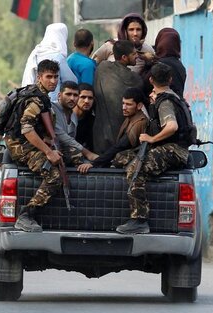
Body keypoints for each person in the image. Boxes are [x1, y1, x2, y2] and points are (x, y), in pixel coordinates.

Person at [116, 63, 189, 235]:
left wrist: (151, 138)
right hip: (169, 148)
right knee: (121, 158)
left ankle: (139, 220)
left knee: (136, 169)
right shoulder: (169, 97)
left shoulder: (165, 102)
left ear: (151, 80)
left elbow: (172, 126)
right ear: (170, 80)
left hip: (174, 149)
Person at [6, 59, 63, 232]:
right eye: (49, 77)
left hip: (25, 143)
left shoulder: (40, 95)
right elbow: (27, 129)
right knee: (54, 176)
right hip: (21, 146)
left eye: (56, 77)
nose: (53, 81)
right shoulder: (36, 100)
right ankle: (26, 215)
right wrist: (48, 152)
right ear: (39, 77)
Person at [78, 87, 147, 173]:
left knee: (120, 156)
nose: (124, 107)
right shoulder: (131, 116)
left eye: (128, 104)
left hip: (140, 159)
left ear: (139, 106)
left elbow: (120, 146)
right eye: (123, 103)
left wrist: (94, 163)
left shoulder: (140, 122)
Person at [92, 40, 143, 154]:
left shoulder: (102, 68)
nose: (137, 56)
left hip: (100, 138)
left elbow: (96, 56)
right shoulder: (136, 79)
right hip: (123, 141)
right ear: (124, 57)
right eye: (134, 54)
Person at [21, 23, 77, 102]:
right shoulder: (58, 57)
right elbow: (71, 81)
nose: (53, 80)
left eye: (55, 77)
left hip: (34, 99)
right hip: (53, 103)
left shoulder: (36, 53)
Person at [52, 80, 98, 165]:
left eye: (75, 95)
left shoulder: (73, 115)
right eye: (68, 94)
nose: (72, 98)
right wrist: (87, 153)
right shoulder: (52, 109)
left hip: (65, 152)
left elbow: (72, 141)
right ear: (59, 95)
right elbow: (61, 135)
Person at [143, 28, 186, 99]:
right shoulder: (180, 65)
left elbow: (144, 84)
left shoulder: (160, 65)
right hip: (179, 105)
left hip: (162, 106)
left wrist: (147, 64)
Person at [74, 83, 96, 151]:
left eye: (90, 98)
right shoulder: (65, 115)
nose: (86, 101)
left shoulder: (91, 120)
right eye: (83, 97)